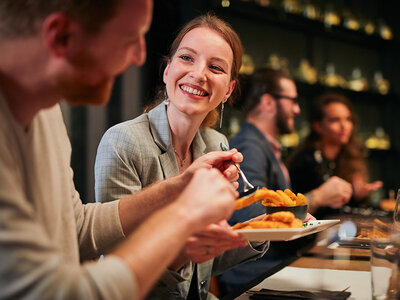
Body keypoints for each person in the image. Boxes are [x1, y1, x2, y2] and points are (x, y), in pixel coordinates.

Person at [0, 1, 247, 299]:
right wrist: (182, 218)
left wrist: (179, 187)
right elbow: (57, 292)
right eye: (129, 39)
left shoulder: (47, 111)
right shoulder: (122, 139)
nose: (140, 55)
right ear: (61, 36)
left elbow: (76, 230)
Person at [95, 13, 268, 300]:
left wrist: (260, 232)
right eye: (187, 58)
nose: (198, 74)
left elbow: (203, 264)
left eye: (215, 67)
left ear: (228, 90)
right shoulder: (123, 142)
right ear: (167, 70)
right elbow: (121, 265)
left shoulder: (217, 144)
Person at [218, 68, 353, 294]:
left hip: (272, 267)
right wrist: (317, 197)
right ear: (269, 102)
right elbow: (251, 218)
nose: (297, 109)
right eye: (292, 101)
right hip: (253, 276)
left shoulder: (264, 146)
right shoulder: (250, 145)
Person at [288, 92, 383, 219]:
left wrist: (358, 196)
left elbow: (344, 208)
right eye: (335, 120)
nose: (344, 126)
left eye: (348, 119)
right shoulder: (306, 159)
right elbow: (293, 210)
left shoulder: (350, 156)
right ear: (318, 126)